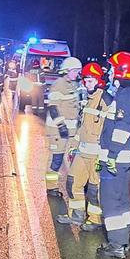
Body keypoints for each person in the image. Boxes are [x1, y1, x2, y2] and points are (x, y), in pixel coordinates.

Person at [96, 51, 130, 259]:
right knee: (121, 198)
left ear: (121, 70)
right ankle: (124, 237)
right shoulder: (129, 93)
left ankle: (116, 244)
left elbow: (123, 128)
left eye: (112, 68)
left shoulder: (126, 95)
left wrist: (111, 155)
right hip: (123, 156)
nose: (109, 72)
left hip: (115, 156)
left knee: (109, 200)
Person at [57, 61, 106, 231]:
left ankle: (95, 219)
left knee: (94, 189)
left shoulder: (105, 102)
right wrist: (73, 146)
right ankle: (76, 215)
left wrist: (105, 155)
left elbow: (108, 131)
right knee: (72, 182)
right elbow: (82, 127)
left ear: (99, 81)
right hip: (82, 151)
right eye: (85, 80)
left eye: (90, 80)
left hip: (96, 155)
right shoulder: (87, 100)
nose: (87, 83)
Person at [44, 56, 83, 197]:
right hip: (58, 131)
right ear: (66, 71)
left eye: (78, 71)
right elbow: (53, 107)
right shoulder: (58, 84)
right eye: (75, 71)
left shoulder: (74, 85)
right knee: (56, 159)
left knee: (73, 158)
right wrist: (61, 126)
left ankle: (75, 185)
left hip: (72, 131)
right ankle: (51, 187)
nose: (77, 74)